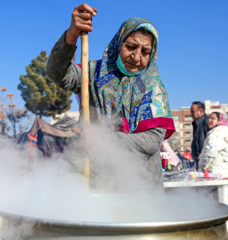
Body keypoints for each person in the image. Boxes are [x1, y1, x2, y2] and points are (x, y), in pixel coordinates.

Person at [46, 3, 175, 187]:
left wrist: (106, 139)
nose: (137, 57)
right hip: (97, 179)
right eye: (131, 47)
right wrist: (72, 35)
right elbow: (57, 74)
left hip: (141, 187)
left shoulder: (154, 88)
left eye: (145, 52)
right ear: (118, 43)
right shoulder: (92, 73)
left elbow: (153, 139)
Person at [198, 112, 228, 179]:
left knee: (212, 189)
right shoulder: (227, 132)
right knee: (224, 189)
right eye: (209, 118)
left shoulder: (216, 133)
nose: (209, 120)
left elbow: (211, 151)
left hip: (214, 172)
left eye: (213, 118)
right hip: (226, 172)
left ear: (219, 121)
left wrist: (204, 166)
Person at [190, 101, 209, 170]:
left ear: (201, 111)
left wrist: (206, 161)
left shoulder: (207, 123)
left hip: (205, 160)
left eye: (192, 112)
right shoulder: (196, 124)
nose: (190, 114)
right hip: (199, 159)